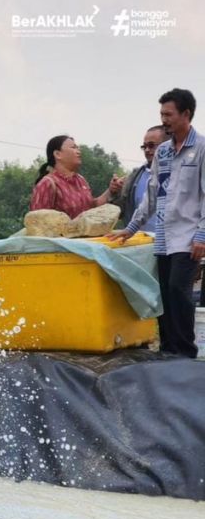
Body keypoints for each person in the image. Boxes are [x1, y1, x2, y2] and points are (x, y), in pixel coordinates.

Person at [109, 88, 205, 359]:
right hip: (162, 235)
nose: (164, 119)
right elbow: (151, 195)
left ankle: (185, 351)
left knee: (178, 288)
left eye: (169, 114)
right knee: (163, 293)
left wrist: (202, 235)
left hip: (188, 236)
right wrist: (130, 228)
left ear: (186, 114)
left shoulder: (201, 149)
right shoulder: (162, 152)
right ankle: (168, 350)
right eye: (161, 114)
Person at [29, 135, 122, 219]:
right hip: (59, 238)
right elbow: (37, 223)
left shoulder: (81, 180)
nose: (78, 151)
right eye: (73, 148)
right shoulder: (47, 183)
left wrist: (111, 190)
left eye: (78, 148)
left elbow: (92, 208)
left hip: (84, 238)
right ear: (58, 154)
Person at [113, 125, 169, 231]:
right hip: (142, 244)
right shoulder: (134, 177)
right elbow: (119, 211)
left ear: (168, 145)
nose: (147, 150)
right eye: (144, 147)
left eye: (152, 145)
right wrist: (114, 192)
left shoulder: (183, 175)